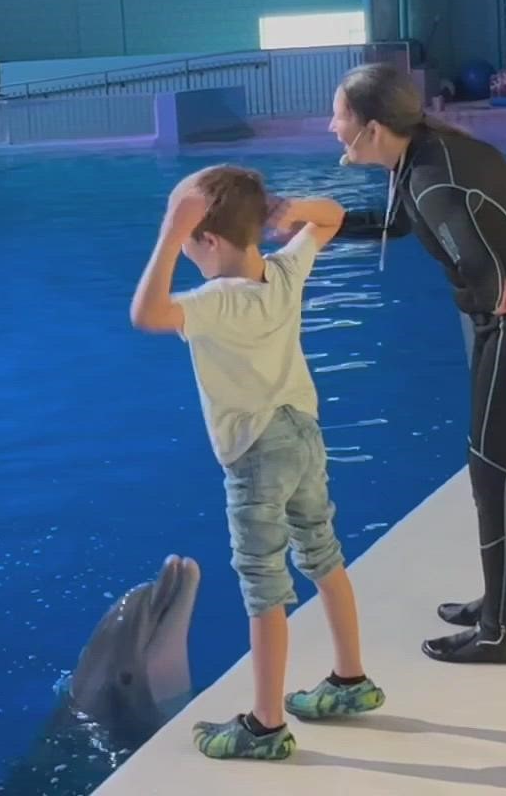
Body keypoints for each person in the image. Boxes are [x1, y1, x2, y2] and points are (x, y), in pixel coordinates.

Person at [129, 165, 385, 762]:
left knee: (263, 584)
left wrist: (168, 234)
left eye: (190, 237)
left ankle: (265, 726)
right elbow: (333, 217)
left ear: (206, 240)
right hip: (304, 433)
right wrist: (289, 209)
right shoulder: (286, 271)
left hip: (255, 454)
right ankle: (351, 680)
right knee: (323, 551)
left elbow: (146, 315)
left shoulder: (215, 302)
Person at [329, 63, 506, 665]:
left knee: (493, 472)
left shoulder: (433, 179)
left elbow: (474, 253)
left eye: (339, 114)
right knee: (491, 468)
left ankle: (500, 634)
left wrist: (494, 291)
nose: (331, 125)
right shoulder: (423, 155)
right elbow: (395, 224)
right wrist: (307, 222)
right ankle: (504, 606)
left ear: (370, 125)